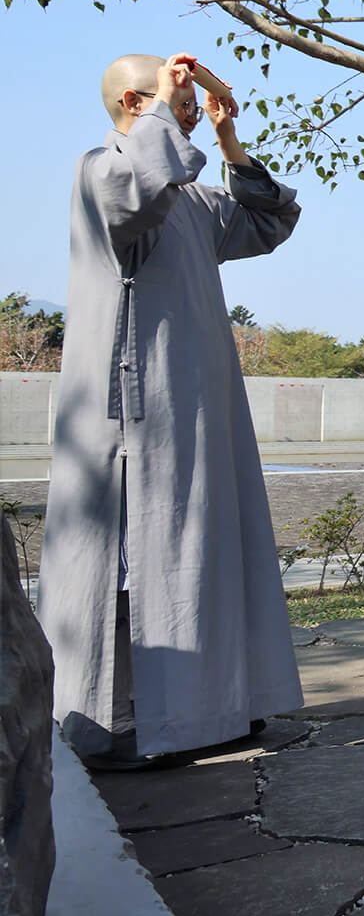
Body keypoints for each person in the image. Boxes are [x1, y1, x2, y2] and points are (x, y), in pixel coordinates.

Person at [44, 53, 303, 770]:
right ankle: (120, 719)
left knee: (208, 546)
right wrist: (168, 103)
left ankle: (214, 708)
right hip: (138, 408)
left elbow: (269, 221)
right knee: (137, 560)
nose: (187, 107)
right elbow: (136, 193)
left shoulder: (193, 199)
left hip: (199, 404)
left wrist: (227, 140)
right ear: (137, 101)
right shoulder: (99, 171)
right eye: (175, 98)